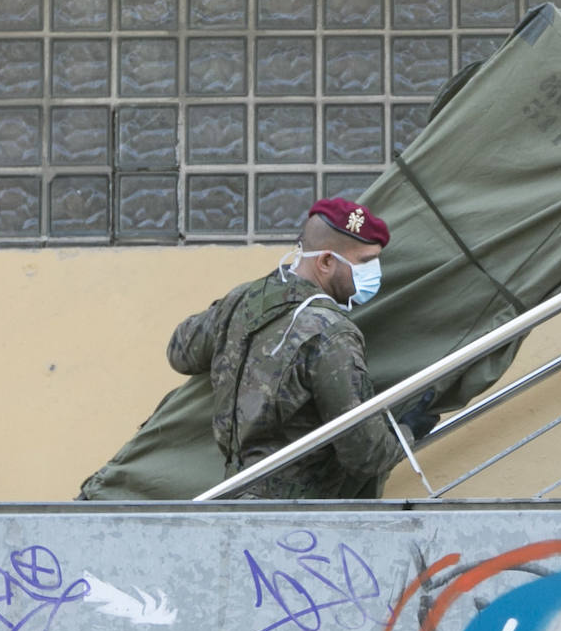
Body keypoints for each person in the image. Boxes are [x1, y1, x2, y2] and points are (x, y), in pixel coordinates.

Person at [166, 198, 438, 499]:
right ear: (325, 262)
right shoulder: (331, 334)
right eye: (364, 261)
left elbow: (180, 353)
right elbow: (366, 455)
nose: (374, 272)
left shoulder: (244, 300)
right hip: (299, 520)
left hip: (232, 499)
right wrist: (408, 431)